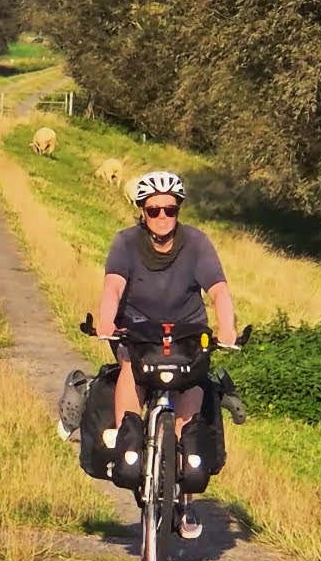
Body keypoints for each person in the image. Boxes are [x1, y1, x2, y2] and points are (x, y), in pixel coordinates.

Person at [95, 170, 238, 540]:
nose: (162, 217)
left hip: (187, 332)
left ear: (179, 210)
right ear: (142, 212)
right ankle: (127, 441)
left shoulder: (197, 243)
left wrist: (227, 327)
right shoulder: (125, 243)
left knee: (191, 394)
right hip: (139, 331)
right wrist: (106, 320)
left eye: (169, 210)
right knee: (129, 369)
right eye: (153, 210)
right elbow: (113, 286)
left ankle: (185, 500)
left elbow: (219, 291)